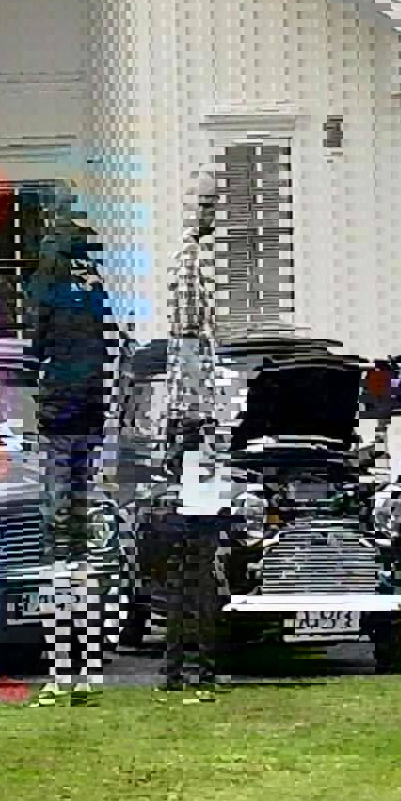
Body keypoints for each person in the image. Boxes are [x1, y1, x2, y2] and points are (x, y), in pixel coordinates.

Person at [24, 208, 116, 707]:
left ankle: (61, 669)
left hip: (59, 419)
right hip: (91, 418)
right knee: (84, 547)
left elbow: (33, 351)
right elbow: (109, 347)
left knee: (57, 545)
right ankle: (88, 667)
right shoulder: (94, 285)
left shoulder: (47, 286)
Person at [158, 173, 230, 701]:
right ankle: (194, 668)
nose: (212, 214)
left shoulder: (187, 263)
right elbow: (196, 339)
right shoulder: (193, 264)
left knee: (189, 566)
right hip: (196, 443)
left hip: (189, 440)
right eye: (207, 205)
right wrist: (208, 434)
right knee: (198, 565)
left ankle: (182, 668)